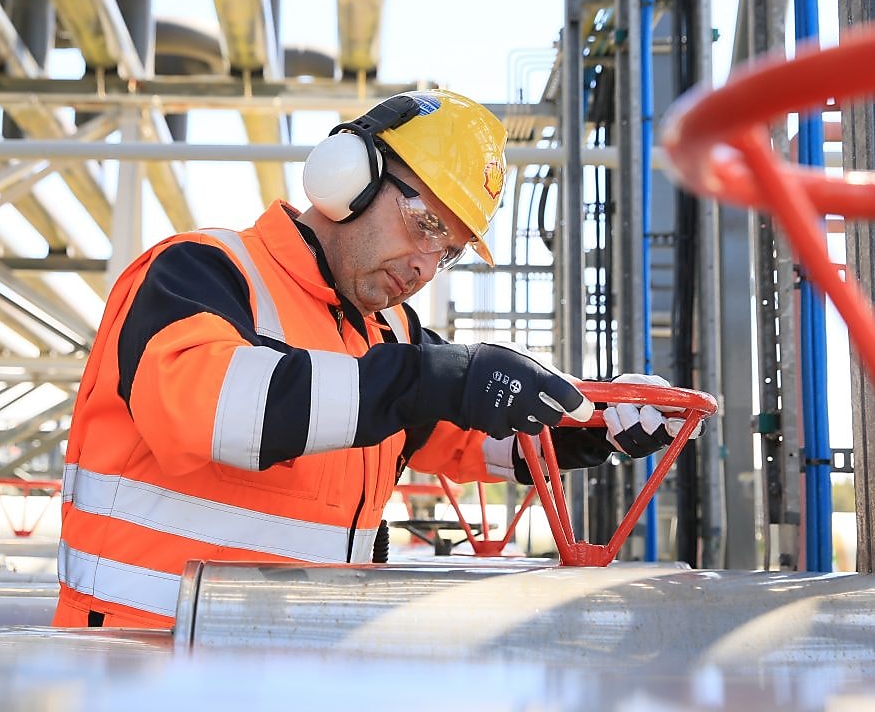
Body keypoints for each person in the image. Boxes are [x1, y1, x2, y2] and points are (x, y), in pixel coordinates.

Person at [53, 89, 697, 629]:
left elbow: (472, 431)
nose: (425, 269)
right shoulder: (202, 272)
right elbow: (210, 409)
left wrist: (596, 421)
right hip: (135, 667)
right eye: (426, 225)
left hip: (290, 672)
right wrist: (429, 379)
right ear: (349, 177)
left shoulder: (389, 336)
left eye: (448, 253)